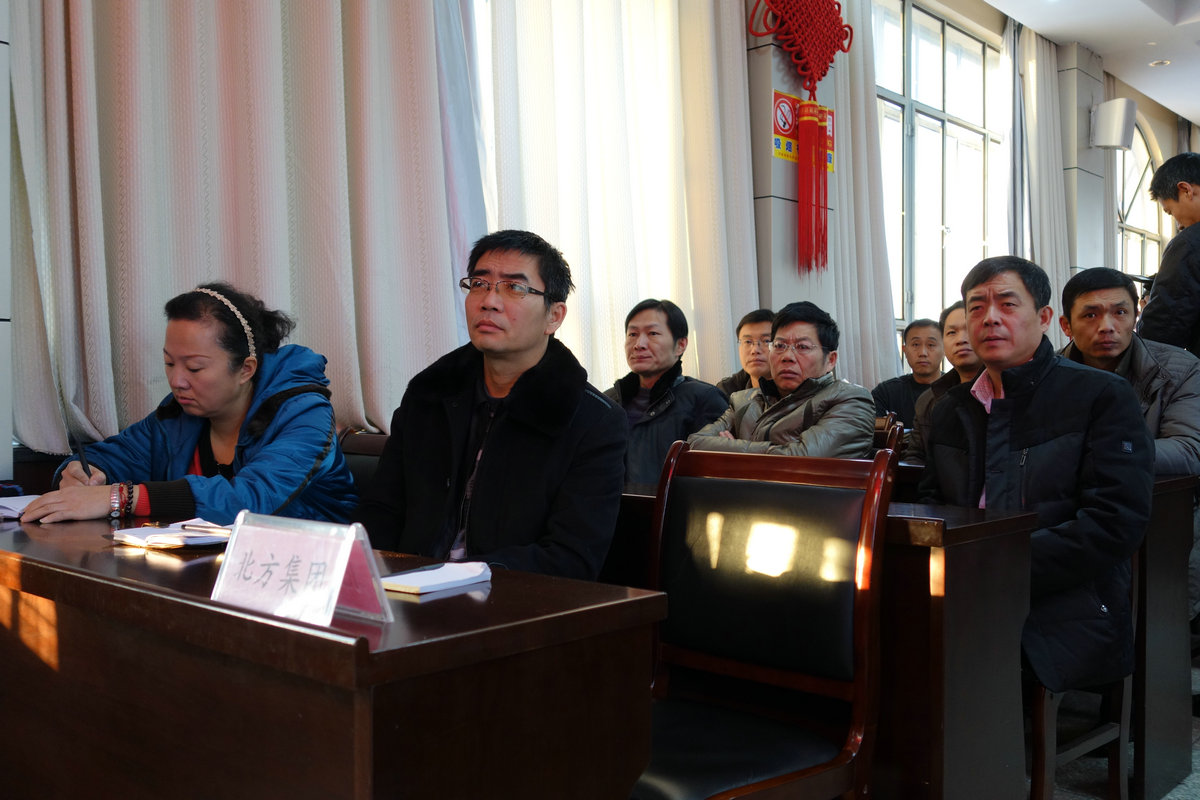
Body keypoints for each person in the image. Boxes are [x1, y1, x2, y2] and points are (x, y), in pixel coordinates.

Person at [920, 256, 1153, 693]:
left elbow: (1115, 522)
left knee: (942, 668)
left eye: (1007, 304)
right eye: (976, 307)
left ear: (1045, 318)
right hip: (964, 591)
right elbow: (935, 507)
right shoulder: (951, 408)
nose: (990, 318)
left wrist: (996, 569)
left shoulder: (1100, 395)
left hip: (1064, 606)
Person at [353, 229, 627, 580]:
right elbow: (381, 511)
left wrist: (456, 577)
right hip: (406, 593)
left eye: (514, 287)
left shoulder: (592, 420)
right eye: (479, 284)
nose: (489, 301)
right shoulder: (428, 396)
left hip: (512, 600)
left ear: (554, 316)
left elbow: (571, 557)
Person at [22, 283, 356, 525]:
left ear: (246, 369)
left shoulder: (304, 414)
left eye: (194, 368)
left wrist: (120, 498)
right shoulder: (179, 413)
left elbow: (250, 500)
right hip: (204, 570)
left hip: (307, 574)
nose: (178, 380)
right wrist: (82, 474)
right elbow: (117, 454)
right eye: (169, 363)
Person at [1059, 267, 1200, 637]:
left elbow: (1187, 450)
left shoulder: (1179, 369)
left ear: (1137, 314)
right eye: (1090, 315)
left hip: (1159, 513)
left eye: (1120, 312)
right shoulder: (1049, 374)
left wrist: (1101, 455)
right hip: (1073, 516)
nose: (1107, 326)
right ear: (1066, 325)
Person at [688, 301, 874, 457]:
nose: (787, 356)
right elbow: (694, 443)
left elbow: (801, 459)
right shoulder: (745, 401)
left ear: (830, 360)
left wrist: (732, 450)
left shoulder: (851, 400)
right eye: (779, 346)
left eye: (802, 347)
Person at [605, 299, 729, 491]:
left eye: (652, 333)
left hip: (672, 509)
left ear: (680, 345)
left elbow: (713, 479)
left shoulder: (705, 399)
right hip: (612, 509)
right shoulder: (607, 401)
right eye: (632, 334)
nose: (639, 344)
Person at [903, 302, 981, 464]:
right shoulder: (929, 399)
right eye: (951, 332)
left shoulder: (1004, 389)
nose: (961, 340)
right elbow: (915, 457)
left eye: (969, 329)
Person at [1138, 152, 1200, 351]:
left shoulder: (1190, 243)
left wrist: (1147, 311)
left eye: (1170, 211)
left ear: (1186, 190)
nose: (1179, 225)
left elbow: (1162, 330)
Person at [871, 318, 943, 427]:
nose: (923, 353)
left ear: (944, 349)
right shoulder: (885, 393)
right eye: (915, 345)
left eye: (931, 345)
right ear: (904, 350)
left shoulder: (956, 389)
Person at [714, 308, 774, 397]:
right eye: (748, 342)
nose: (755, 350)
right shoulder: (727, 390)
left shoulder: (793, 390)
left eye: (766, 341)